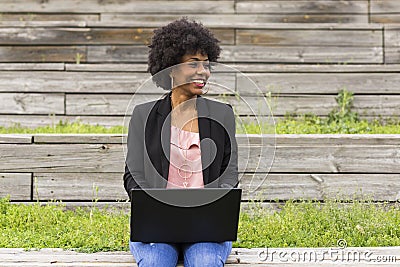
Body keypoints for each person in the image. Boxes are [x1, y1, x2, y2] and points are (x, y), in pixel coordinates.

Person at [123, 17, 238, 267]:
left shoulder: (222, 115)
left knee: (206, 262)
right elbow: (133, 175)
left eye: (206, 65)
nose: (203, 72)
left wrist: (211, 210)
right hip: (156, 227)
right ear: (171, 68)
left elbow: (229, 174)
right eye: (193, 63)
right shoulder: (144, 116)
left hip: (207, 226)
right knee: (155, 263)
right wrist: (156, 210)